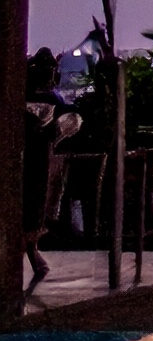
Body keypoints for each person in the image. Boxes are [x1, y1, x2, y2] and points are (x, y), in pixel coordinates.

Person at [23, 48, 80, 287]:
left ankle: (32, 248)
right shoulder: (42, 102)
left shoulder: (52, 104)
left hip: (38, 164)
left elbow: (72, 120)